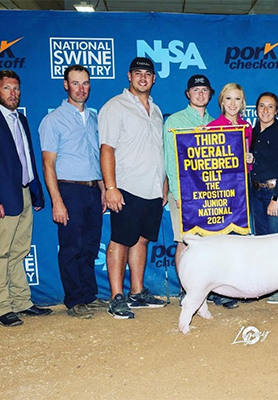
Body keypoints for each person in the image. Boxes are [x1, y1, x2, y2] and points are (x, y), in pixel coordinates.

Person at [0, 70, 52, 327]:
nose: (13, 93)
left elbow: (27, 158)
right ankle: (3, 308)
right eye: (7, 88)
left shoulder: (21, 119)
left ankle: (22, 301)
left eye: (16, 88)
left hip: (23, 193)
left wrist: (35, 192)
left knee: (19, 251)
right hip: (0, 199)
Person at [99, 57, 167, 319]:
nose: (142, 78)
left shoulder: (156, 110)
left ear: (154, 79)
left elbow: (157, 150)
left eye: (147, 74)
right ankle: (116, 297)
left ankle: (136, 293)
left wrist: (163, 181)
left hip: (152, 188)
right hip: (127, 187)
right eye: (137, 73)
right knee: (120, 240)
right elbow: (107, 149)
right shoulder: (115, 107)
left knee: (142, 239)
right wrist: (111, 187)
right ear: (129, 76)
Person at [39, 64, 107, 319]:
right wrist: (57, 201)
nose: (81, 88)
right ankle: (74, 300)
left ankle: (89, 295)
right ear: (66, 85)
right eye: (75, 83)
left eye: (85, 83)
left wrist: (102, 188)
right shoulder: (53, 120)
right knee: (71, 247)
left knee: (90, 247)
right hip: (68, 189)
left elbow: (97, 158)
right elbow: (48, 164)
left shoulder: (94, 119)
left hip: (92, 189)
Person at [163, 74, 215, 303]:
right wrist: (178, 193)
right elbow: (170, 159)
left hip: (210, 193)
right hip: (184, 193)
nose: (200, 94)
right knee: (184, 242)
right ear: (188, 94)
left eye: (204, 90)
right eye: (196, 90)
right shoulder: (174, 121)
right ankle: (187, 290)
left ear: (210, 94)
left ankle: (210, 289)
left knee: (209, 242)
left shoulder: (215, 123)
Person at [202, 82, 254, 309]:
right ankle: (216, 289)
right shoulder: (212, 127)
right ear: (221, 102)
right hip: (220, 190)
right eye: (229, 99)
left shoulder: (246, 127)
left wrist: (250, 159)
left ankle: (235, 288)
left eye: (237, 99)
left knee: (238, 241)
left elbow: (246, 160)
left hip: (242, 191)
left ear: (243, 103)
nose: (233, 103)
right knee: (220, 240)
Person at [248, 92, 278, 305]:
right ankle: (266, 286)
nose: (265, 111)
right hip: (256, 193)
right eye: (262, 106)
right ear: (256, 109)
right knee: (262, 243)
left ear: (277, 111)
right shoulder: (251, 133)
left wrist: (276, 198)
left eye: (270, 107)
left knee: (277, 243)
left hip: (274, 193)